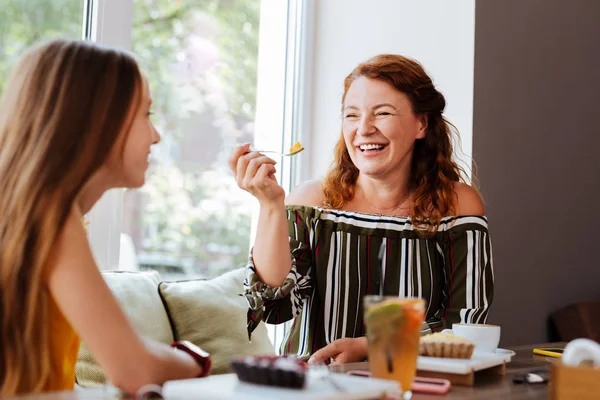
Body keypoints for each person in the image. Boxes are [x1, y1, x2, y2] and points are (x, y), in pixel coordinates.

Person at [228, 54, 494, 365]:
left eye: (382, 113)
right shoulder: (312, 203)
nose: (364, 129)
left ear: (421, 123)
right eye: (351, 115)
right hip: (315, 387)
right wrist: (271, 206)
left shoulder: (458, 205)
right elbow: (275, 306)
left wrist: (371, 346)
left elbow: (466, 324)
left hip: (414, 387)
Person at [0, 39, 210, 395]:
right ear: (98, 120)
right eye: (146, 114)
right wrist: (195, 360)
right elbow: (134, 368)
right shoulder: (52, 219)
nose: (156, 136)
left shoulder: (32, 214)